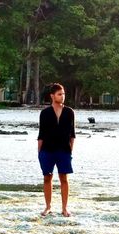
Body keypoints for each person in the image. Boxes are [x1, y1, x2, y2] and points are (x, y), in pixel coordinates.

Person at [37, 83, 76, 217]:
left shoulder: (69, 112)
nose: (62, 96)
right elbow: (41, 134)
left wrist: (70, 150)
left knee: (63, 178)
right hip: (47, 150)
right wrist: (39, 153)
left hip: (64, 150)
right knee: (47, 178)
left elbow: (72, 134)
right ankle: (48, 207)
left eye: (63, 94)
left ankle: (65, 208)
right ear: (52, 96)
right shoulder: (45, 113)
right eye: (60, 94)